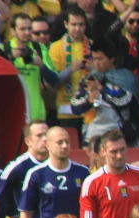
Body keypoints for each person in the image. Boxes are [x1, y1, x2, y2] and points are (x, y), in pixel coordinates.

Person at [0, 13, 58, 123]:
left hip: (36, 114)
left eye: (29, 28)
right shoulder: (3, 50)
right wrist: (10, 59)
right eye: (22, 29)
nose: (27, 32)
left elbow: (54, 80)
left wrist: (41, 65)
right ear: (13, 31)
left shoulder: (40, 49)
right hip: (12, 114)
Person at [49, 6, 94, 134]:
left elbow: (102, 76)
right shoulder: (56, 47)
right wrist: (70, 70)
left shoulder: (92, 45)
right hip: (66, 112)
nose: (77, 29)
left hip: (89, 110)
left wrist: (93, 70)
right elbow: (54, 82)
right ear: (66, 24)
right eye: (74, 24)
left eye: (81, 25)